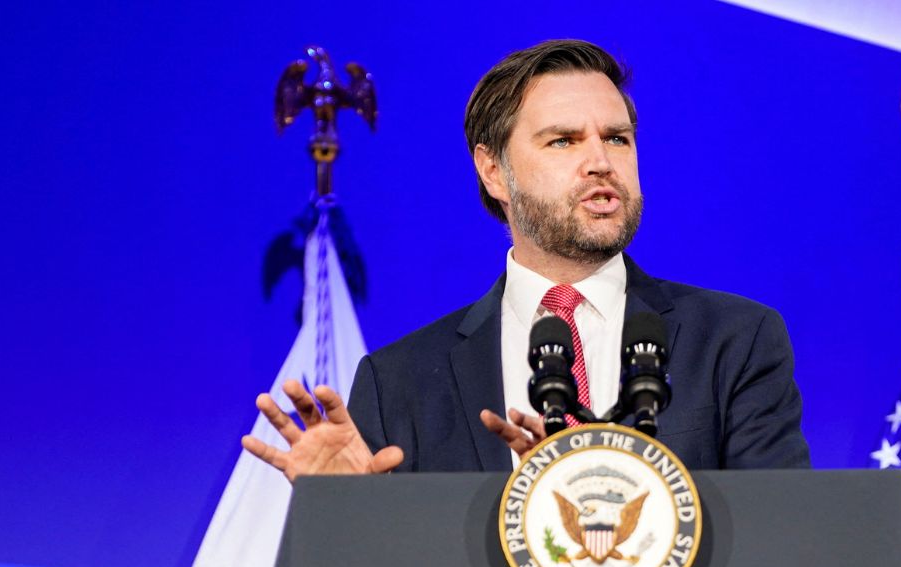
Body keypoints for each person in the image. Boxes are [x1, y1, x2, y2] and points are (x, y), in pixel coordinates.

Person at [243, 39, 810, 480]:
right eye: (563, 141)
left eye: (617, 138)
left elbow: (779, 540)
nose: (600, 162)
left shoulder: (737, 340)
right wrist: (344, 515)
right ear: (493, 172)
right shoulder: (401, 382)